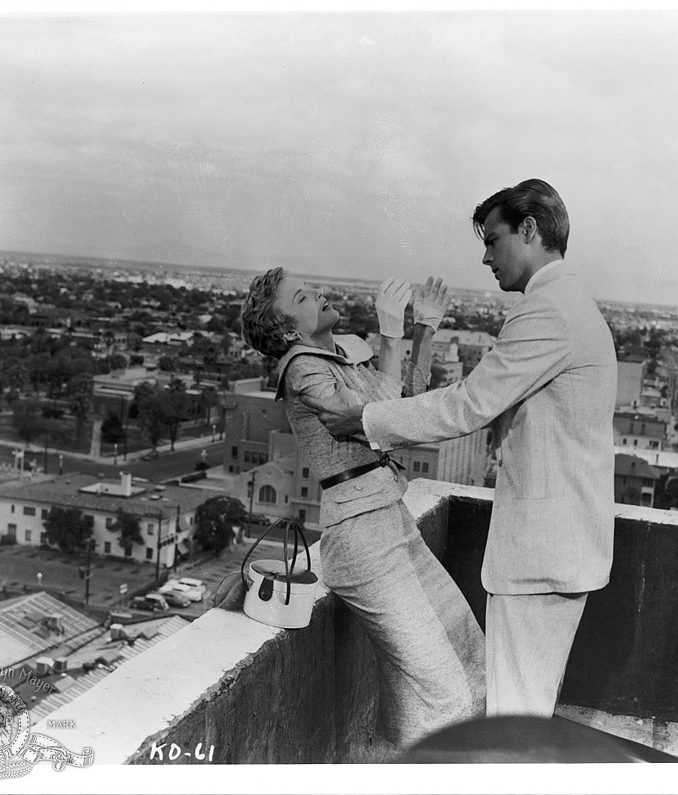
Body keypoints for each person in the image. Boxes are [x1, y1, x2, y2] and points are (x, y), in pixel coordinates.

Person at [302, 179, 618, 718]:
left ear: (530, 230)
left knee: (514, 719)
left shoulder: (546, 310)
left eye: (494, 241)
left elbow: (468, 404)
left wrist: (365, 418)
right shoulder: (571, 303)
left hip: (541, 555)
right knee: (525, 711)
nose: (486, 257)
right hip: (562, 548)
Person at [239, 268, 485, 748]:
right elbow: (371, 420)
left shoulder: (341, 357)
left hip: (389, 519)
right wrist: (391, 334)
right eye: (305, 296)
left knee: (467, 650)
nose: (321, 294)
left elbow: (407, 399)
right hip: (360, 538)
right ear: (290, 330)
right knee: (442, 686)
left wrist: (423, 329)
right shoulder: (302, 369)